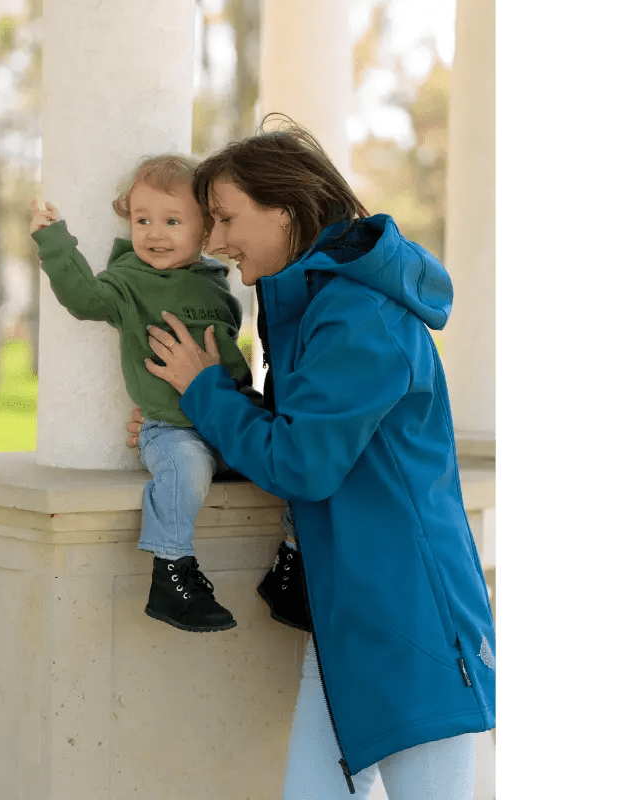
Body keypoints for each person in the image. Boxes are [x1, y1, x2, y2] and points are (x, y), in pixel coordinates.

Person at [130, 115, 496, 798]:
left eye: (225, 217)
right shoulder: (316, 307)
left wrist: (206, 393)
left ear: (286, 209)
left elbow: (302, 461)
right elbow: (313, 432)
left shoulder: (361, 314)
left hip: (410, 621)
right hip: (344, 611)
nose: (215, 241)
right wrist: (188, 424)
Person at [30, 153, 257, 633]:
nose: (154, 233)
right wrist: (54, 241)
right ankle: (171, 574)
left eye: (172, 221)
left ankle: (293, 562)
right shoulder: (131, 283)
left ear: (205, 231)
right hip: (173, 430)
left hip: (229, 419)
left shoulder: (217, 285)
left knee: (280, 462)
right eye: (142, 219)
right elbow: (84, 298)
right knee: (185, 468)